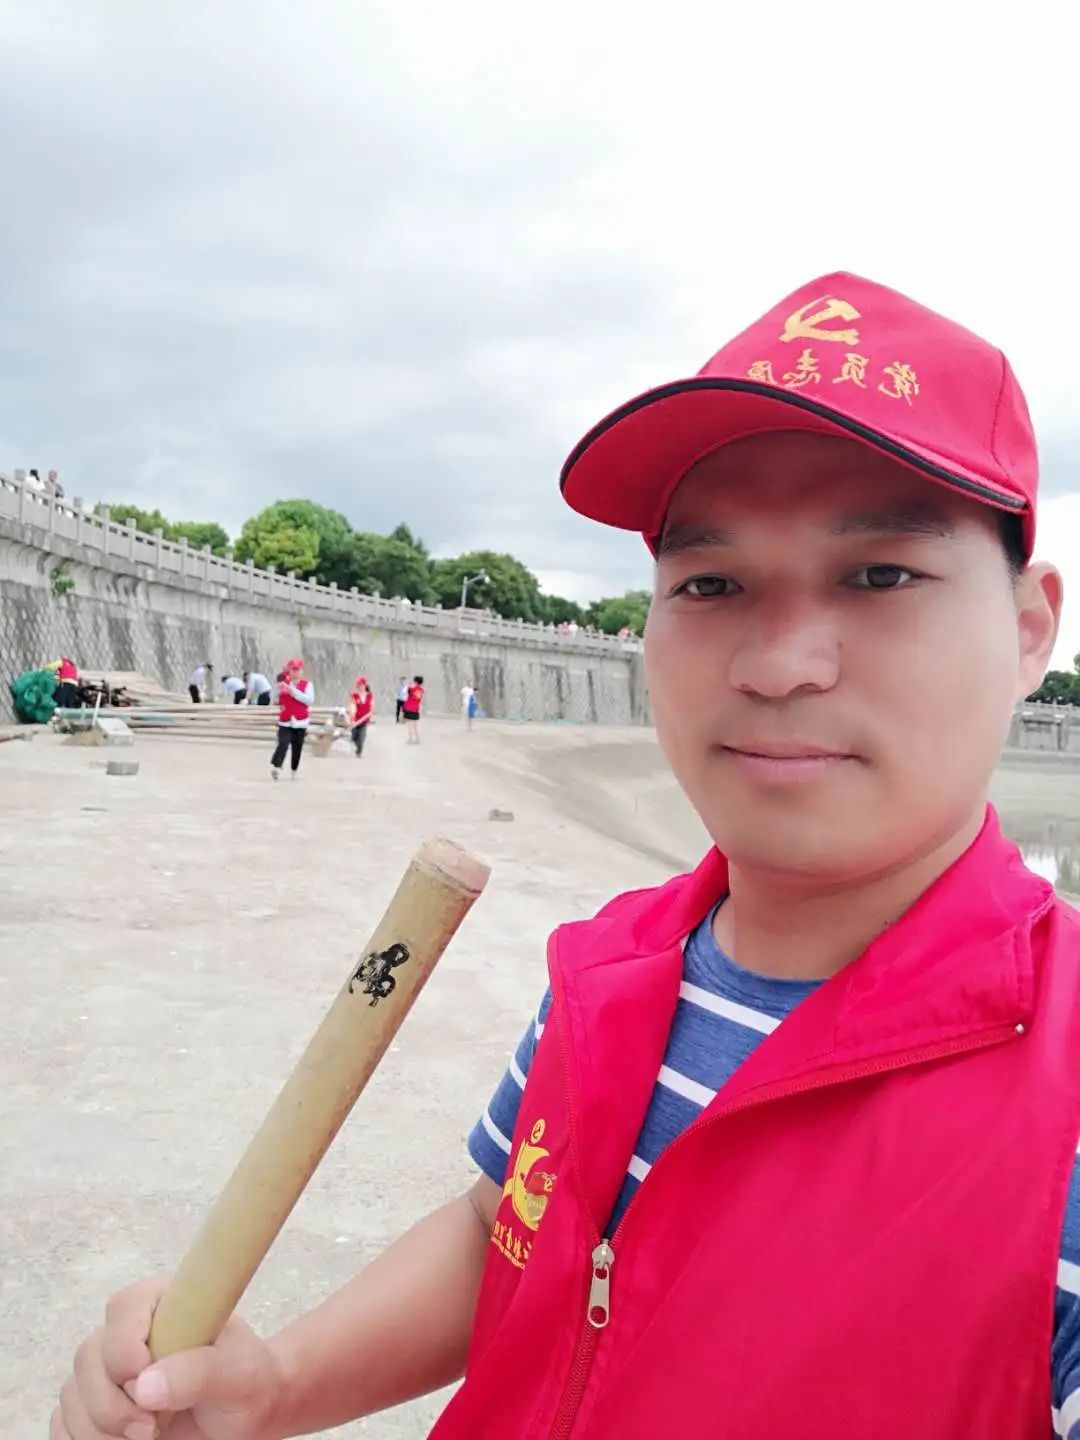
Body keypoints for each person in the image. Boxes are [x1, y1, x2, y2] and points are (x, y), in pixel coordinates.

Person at [52, 272, 1080, 1440]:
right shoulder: (615, 964)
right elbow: (510, 1225)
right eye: (711, 582)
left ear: (1028, 629)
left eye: (880, 575)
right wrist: (275, 1386)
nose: (777, 663)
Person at [270, 658, 314, 781]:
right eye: (293, 670)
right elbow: (272, 697)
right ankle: (277, 767)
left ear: (301, 671)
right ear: (289, 671)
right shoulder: (283, 683)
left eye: (297, 670)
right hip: (285, 721)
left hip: (300, 722)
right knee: (283, 743)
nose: (295, 672)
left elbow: (309, 700)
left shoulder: (307, 685)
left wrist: (292, 691)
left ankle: (294, 771)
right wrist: (276, 689)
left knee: (297, 748)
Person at [349, 676, 374, 756]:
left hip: (364, 721)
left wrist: (364, 718)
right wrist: (353, 720)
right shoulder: (354, 695)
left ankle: (359, 751)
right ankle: (357, 746)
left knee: (361, 737)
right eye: (358, 685)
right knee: (354, 737)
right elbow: (353, 707)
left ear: (364, 685)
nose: (360, 687)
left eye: (361, 685)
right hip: (355, 720)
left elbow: (371, 709)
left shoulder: (369, 695)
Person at [403, 674, 424, 744]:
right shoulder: (421, 690)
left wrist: (409, 685)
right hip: (415, 709)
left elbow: (407, 692)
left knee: (409, 725)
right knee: (415, 725)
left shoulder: (411, 688)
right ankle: (417, 739)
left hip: (408, 708)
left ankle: (410, 739)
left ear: (416, 681)